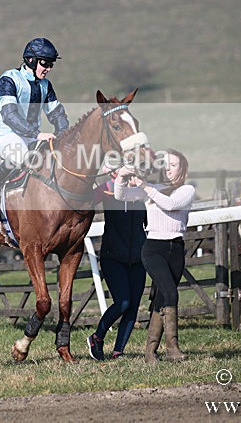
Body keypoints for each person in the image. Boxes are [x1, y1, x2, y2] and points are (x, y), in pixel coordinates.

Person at [114, 148, 195, 363]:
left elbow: (169, 204)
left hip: (175, 249)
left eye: (173, 165)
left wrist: (144, 185)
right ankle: (173, 348)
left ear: (182, 168)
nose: (168, 169)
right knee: (171, 293)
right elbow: (120, 195)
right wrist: (122, 177)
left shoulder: (187, 190)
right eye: (165, 164)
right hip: (153, 249)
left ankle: (150, 352)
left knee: (163, 297)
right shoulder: (152, 189)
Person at [0, 37, 69, 207]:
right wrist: (37, 134)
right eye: (45, 63)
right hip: (9, 136)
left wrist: (63, 134)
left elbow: (57, 113)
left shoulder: (46, 85)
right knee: (23, 159)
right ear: (31, 60)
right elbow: (10, 116)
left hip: (32, 137)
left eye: (51, 65)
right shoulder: (8, 80)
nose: (48, 69)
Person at [87, 170, 147, 361]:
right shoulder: (108, 189)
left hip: (138, 257)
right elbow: (84, 200)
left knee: (133, 306)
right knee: (123, 302)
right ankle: (97, 337)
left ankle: (118, 351)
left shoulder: (144, 192)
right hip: (112, 256)